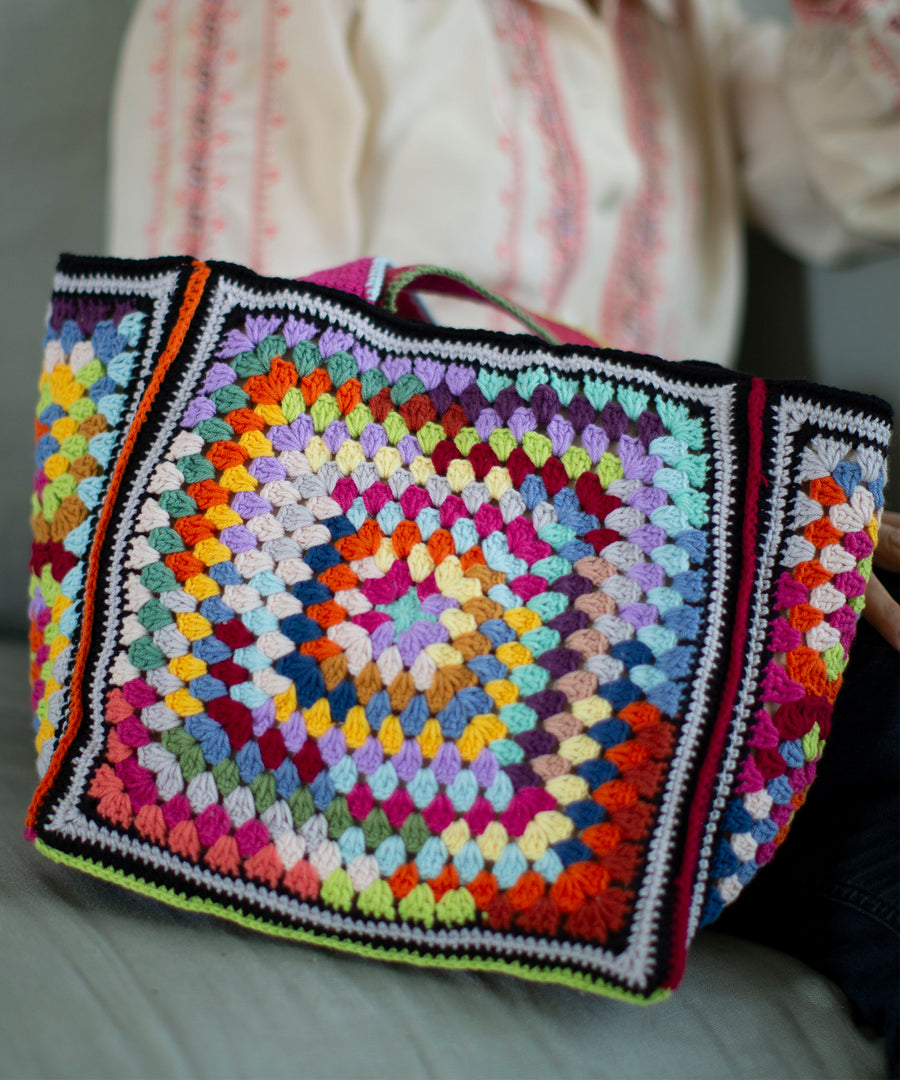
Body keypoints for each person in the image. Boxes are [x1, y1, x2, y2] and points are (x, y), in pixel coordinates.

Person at [108, 0, 899, 1068]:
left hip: (658, 619)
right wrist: (761, 531)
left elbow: (860, 186)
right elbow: (217, 413)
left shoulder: (677, 27)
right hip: (390, 629)